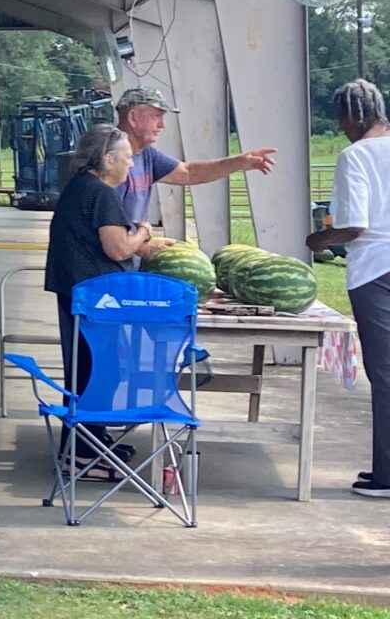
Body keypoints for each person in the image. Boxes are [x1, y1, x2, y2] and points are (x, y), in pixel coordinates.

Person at [44, 123, 173, 471]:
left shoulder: (80, 187)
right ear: (107, 158)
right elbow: (116, 248)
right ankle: (82, 452)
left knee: (87, 368)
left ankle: (91, 439)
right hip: (95, 299)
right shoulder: (101, 193)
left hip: (80, 293)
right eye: (127, 158)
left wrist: (140, 246)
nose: (131, 164)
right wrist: (144, 231)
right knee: (100, 371)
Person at [308, 80, 390, 498]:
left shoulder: (355, 155)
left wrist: (316, 241)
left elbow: (354, 225)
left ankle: (387, 475)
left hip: (376, 272)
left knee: (385, 373)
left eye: (342, 118)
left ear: (356, 117)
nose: (341, 127)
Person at [114, 87, 276, 232]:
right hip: (108, 262)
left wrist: (240, 161)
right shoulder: (108, 160)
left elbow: (188, 172)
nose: (162, 125)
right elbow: (110, 233)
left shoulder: (146, 155)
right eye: (156, 116)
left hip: (128, 258)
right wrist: (143, 244)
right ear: (133, 117)